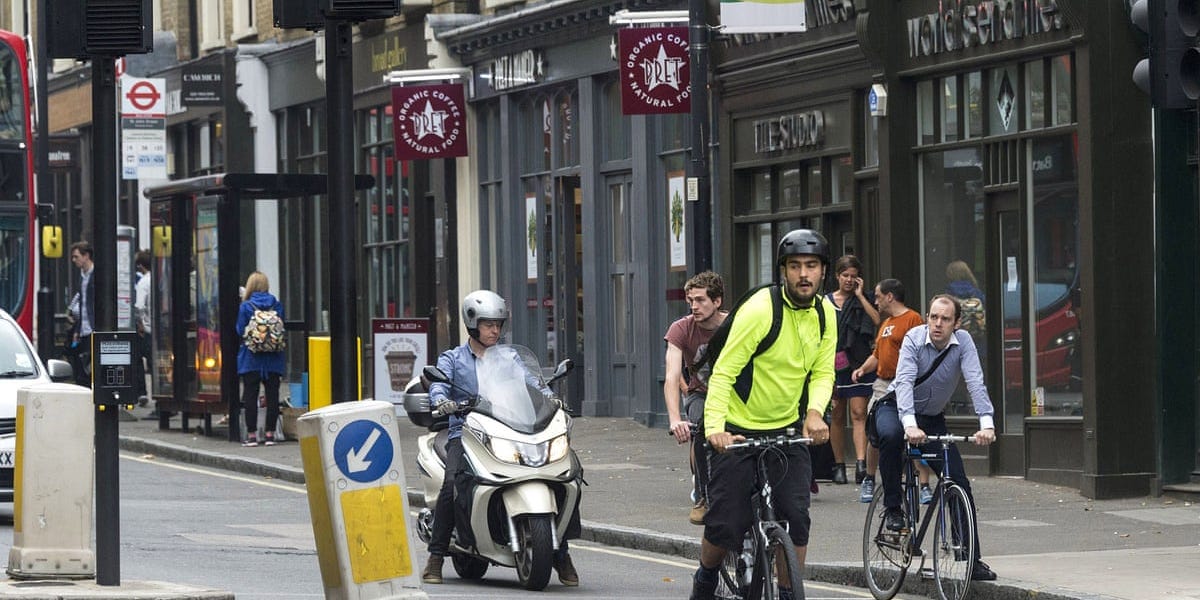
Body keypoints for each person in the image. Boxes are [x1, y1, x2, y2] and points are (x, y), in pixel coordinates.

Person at [691, 229, 836, 600]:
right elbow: (723, 371)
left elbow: (822, 372)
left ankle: (787, 592)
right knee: (726, 523)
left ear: (824, 271)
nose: (804, 274)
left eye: (812, 266)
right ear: (782, 271)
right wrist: (716, 429)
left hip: (787, 428)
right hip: (736, 428)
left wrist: (815, 412)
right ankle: (706, 578)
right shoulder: (761, 310)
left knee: (797, 518)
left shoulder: (825, 314)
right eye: (795, 266)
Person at [422, 290, 579, 587]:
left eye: (498, 324)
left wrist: (551, 398)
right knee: (453, 484)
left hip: (509, 429)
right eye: (488, 324)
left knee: (568, 475)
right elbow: (438, 385)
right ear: (472, 324)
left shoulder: (508, 358)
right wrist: (442, 401)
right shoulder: (453, 359)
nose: (495, 330)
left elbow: (531, 383)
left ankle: (561, 553)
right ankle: (436, 555)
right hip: (467, 431)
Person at [873, 294, 998, 581]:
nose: (937, 324)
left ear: (957, 323)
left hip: (931, 418)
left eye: (944, 319)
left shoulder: (963, 343)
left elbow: (975, 381)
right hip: (896, 408)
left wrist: (987, 423)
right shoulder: (914, 339)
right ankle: (893, 508)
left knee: (958, 481)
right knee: (891, 436)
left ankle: (971, 558)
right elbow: (903, 382)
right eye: (933, 317)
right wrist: (909, 424)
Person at [851, 278, 925, 503]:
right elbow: (878, 355)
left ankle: (923, 484)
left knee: (913, 433)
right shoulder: (885, 324)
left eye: (878, 296)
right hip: (882, 385)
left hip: (904, 383)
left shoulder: (913, 319)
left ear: (890, 296)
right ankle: (870, 479)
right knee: (876, 434)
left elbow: (920, 351)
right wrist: (862, 369)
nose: (876, 300)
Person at [663, 270, 727, 526]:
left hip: (735, 395)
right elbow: (671, 375)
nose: (694, 306)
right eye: (691, 300)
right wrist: (675, 419)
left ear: (717, 301)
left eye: (700, 300)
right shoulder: (681, 329)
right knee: (701, 426)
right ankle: (704, 496)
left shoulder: (735, 325)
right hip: (700, 393)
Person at [824, 255, 880, 486]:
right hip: (832, 362)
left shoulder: (863, 299)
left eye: (853, 277)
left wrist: (859, 296)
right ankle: (838, 466)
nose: (848, 280)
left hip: (858, 361)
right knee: (836, 413)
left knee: (859, 412)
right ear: (837, 276)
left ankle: (859, 463)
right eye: (845, 275)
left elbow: (876, 319)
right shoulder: (825, 302)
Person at [235, 271, 285, 447]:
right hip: (273, 359)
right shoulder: (276, 305)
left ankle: (252, 435)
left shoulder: (246, 307)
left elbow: (240, 330)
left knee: (250, 395)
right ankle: (270, 434)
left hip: (251, 358)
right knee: (272, 396)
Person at [68, 241, 96, 386]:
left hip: (93, 328)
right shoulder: (82, 277)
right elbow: (82, 304)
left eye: (76, 257)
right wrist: (77, 330)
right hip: (84, 329)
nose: (74, 260)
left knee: (91, 366)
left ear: (86, 256)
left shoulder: (95, 275)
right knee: (84, 365)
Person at [133, 249, 152, 406]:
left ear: (140, 266)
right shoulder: (161, 278)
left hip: (146, 329)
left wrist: (139, 323)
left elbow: (139, 306)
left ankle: (141, 392)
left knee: (137, 358)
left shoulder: (143, 282)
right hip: (161, 329)